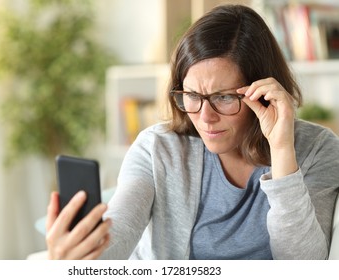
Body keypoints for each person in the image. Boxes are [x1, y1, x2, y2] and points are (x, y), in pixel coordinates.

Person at [45, 4, 339, 260]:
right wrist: (75, 257)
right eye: (192, 95)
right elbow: (119, 231)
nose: (205, 116)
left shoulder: (318, 149)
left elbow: (304, 265)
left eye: (224, 97)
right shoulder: (156, 148)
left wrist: (283, 150)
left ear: (262, 93)